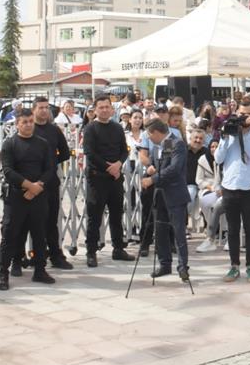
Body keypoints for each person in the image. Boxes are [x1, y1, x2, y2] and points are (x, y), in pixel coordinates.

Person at [214, 102, 250, 282]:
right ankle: (233, 266)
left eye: (248, 114)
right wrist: (226, 137)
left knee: (249, 228)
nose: (244, 117)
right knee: (232, 229)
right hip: (230, 186)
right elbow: (218, 158)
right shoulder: (230, 133)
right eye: (241, 113)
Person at [0, 109, 56, 291]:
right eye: (25, 122)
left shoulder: (42, 144)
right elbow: (7, 171)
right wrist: (28, 186)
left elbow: (50, 169)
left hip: (38, 195)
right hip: (16, 196)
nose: (29, 124)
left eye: (31, 121)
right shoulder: (9, 144)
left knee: (39, 234)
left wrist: (38, 186)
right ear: (17, 124)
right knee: (10, 235)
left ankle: (40, 269)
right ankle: (3, 273)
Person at [82, 95, 133, 267]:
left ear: (112, 109)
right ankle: (91, 251)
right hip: (97, 177)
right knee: (95, 216)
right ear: (95, 109)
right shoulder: (90, 129)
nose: (104, 110)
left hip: (116, 177)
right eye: (101, 107)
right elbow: (89, 152)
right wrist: (109, 167)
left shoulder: (117, 127)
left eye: (107, 107)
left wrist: (118, 164)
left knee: (117, 214)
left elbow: (124, 150)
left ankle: (118, 248)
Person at [140, 118, 191, 282]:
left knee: (178, 232)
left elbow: (175, 169)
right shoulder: (162, 146)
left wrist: (153, 179)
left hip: (175, 194)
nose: (149, 138)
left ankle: (183, 267)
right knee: (160, 231)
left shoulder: (177, 144)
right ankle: (164, 264)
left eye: (149, 135)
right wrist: (152, 168)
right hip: (160, 195)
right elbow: (163, 167)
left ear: (156, 132)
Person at [31, 97, 73, 271]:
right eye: (40, 107)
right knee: (32, 221)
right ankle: (33, 256)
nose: (44, 111)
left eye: (46, 108)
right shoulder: (28, 127)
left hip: (50, 181)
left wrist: (50, 161)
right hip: (30, 182)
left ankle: (56, 255)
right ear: (34, 109)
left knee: (51, 220)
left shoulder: (54, 130)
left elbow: (64, 153)